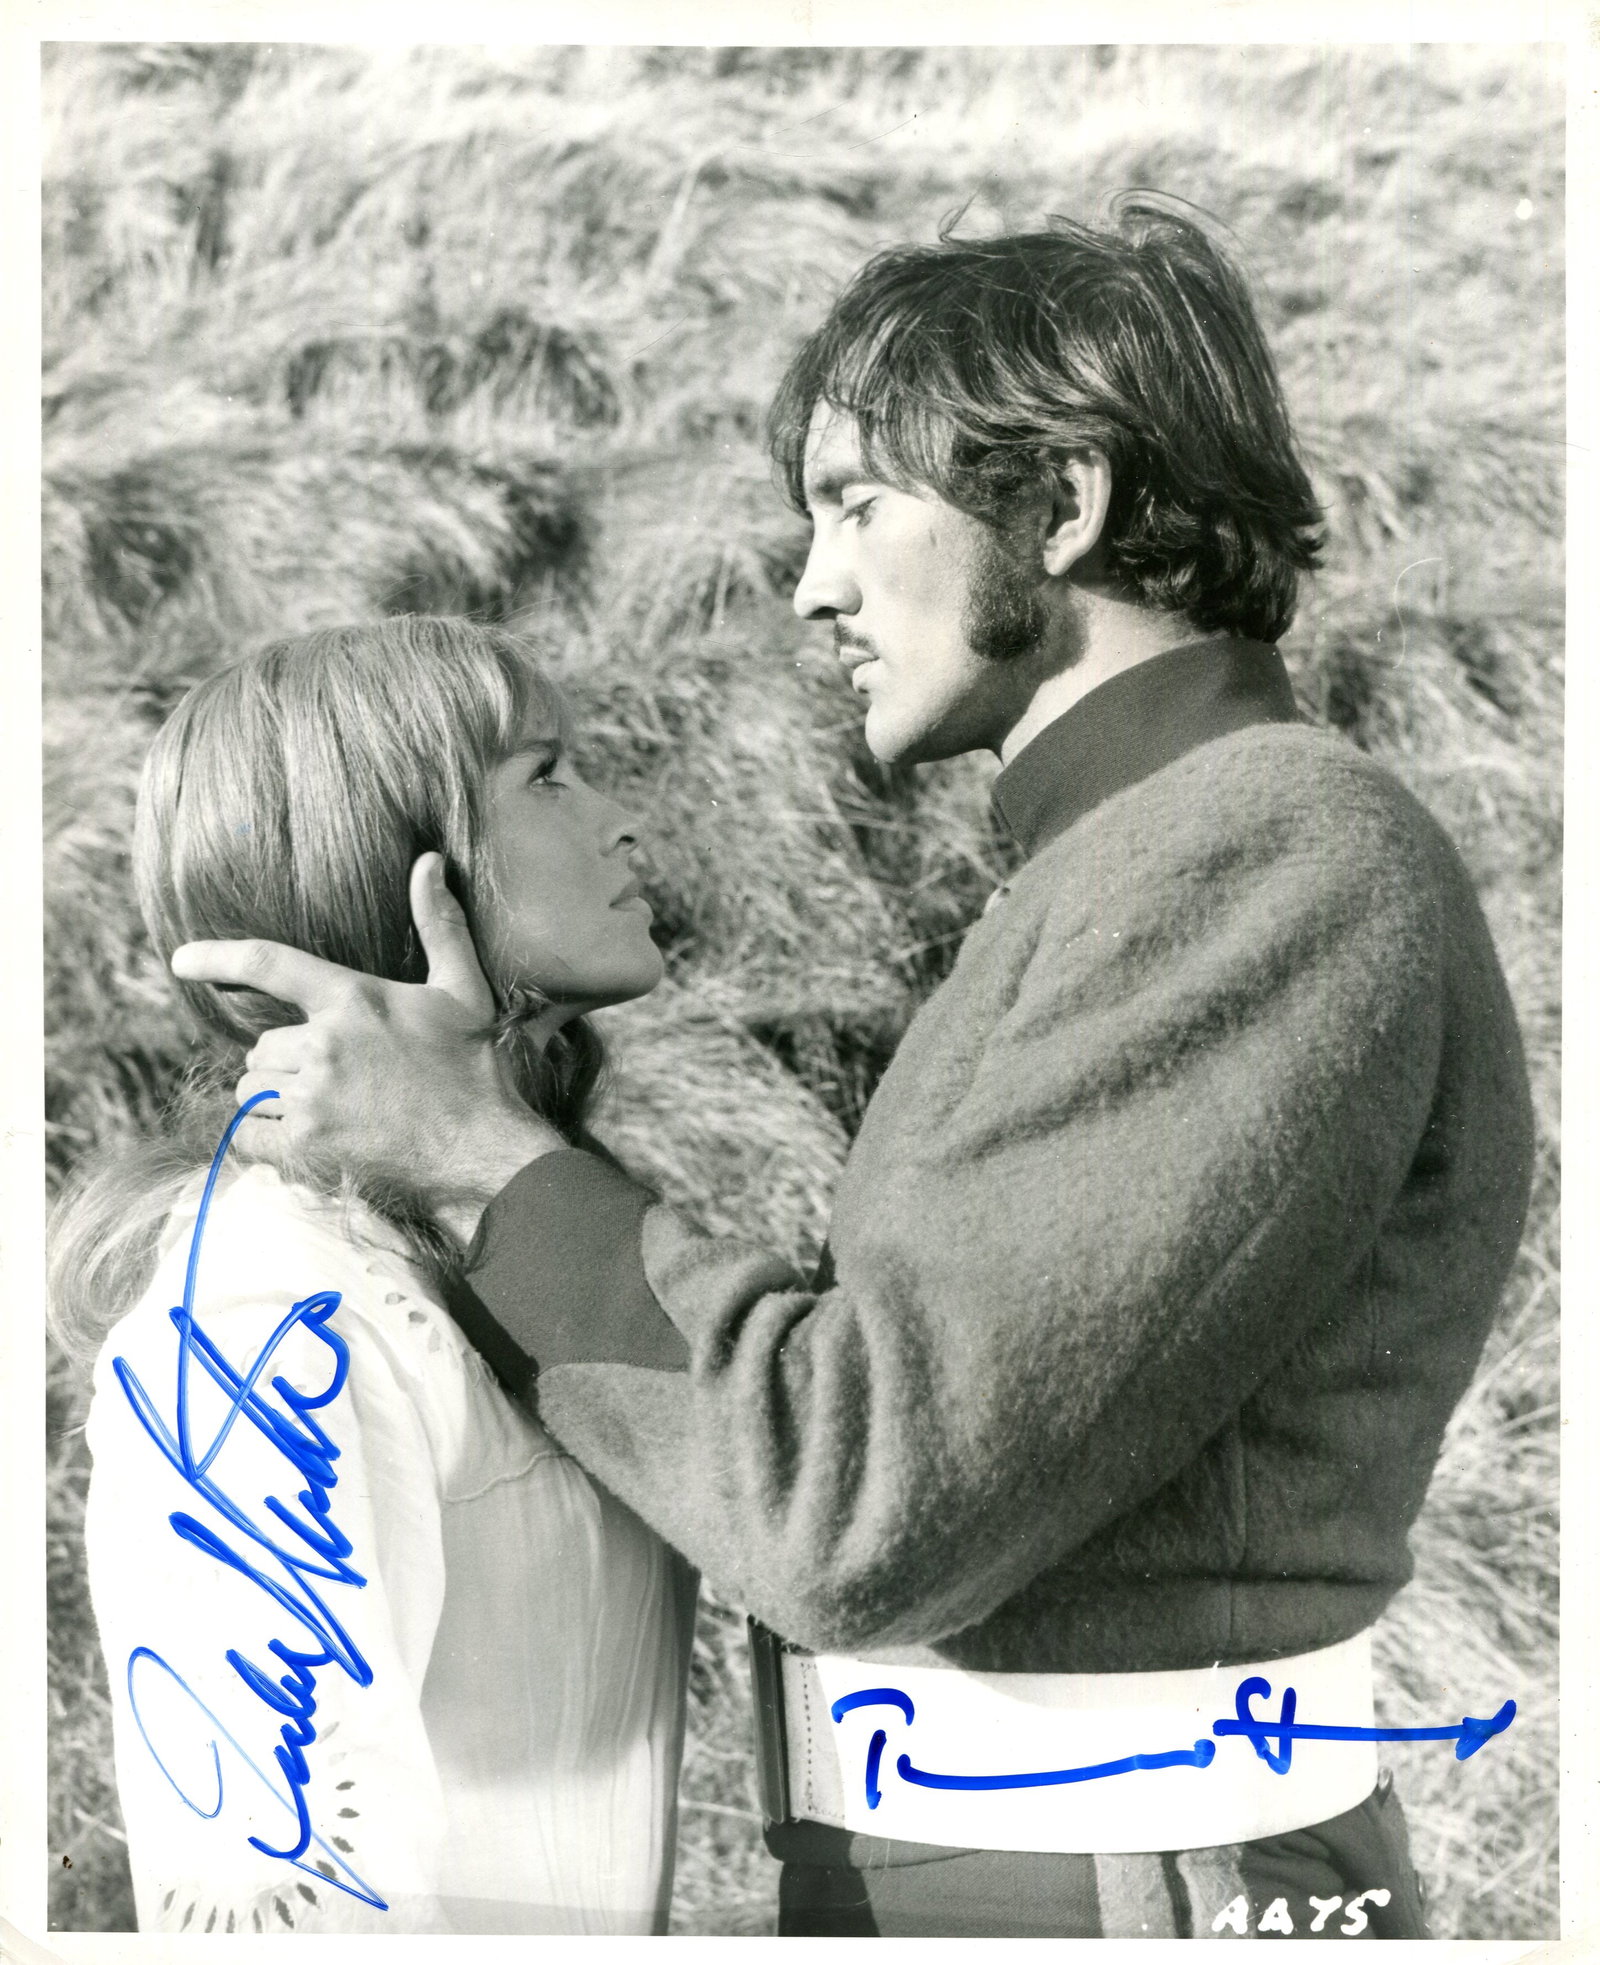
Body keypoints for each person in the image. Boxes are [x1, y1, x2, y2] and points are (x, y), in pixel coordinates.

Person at [173, 203, 1536, 1939]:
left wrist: (480, 1158)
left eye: (854, 504)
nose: (812, 582)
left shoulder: (1265, 857)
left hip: (1107, 1892)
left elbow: (856, 1500)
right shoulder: (1141, 858)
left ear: (1061, 503)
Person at [50, 619, 698, 1936]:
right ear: (396, 867)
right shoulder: (263, 1310)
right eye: (547, 776)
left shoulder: (484, 1247)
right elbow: (269, 1899)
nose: (624, 821)